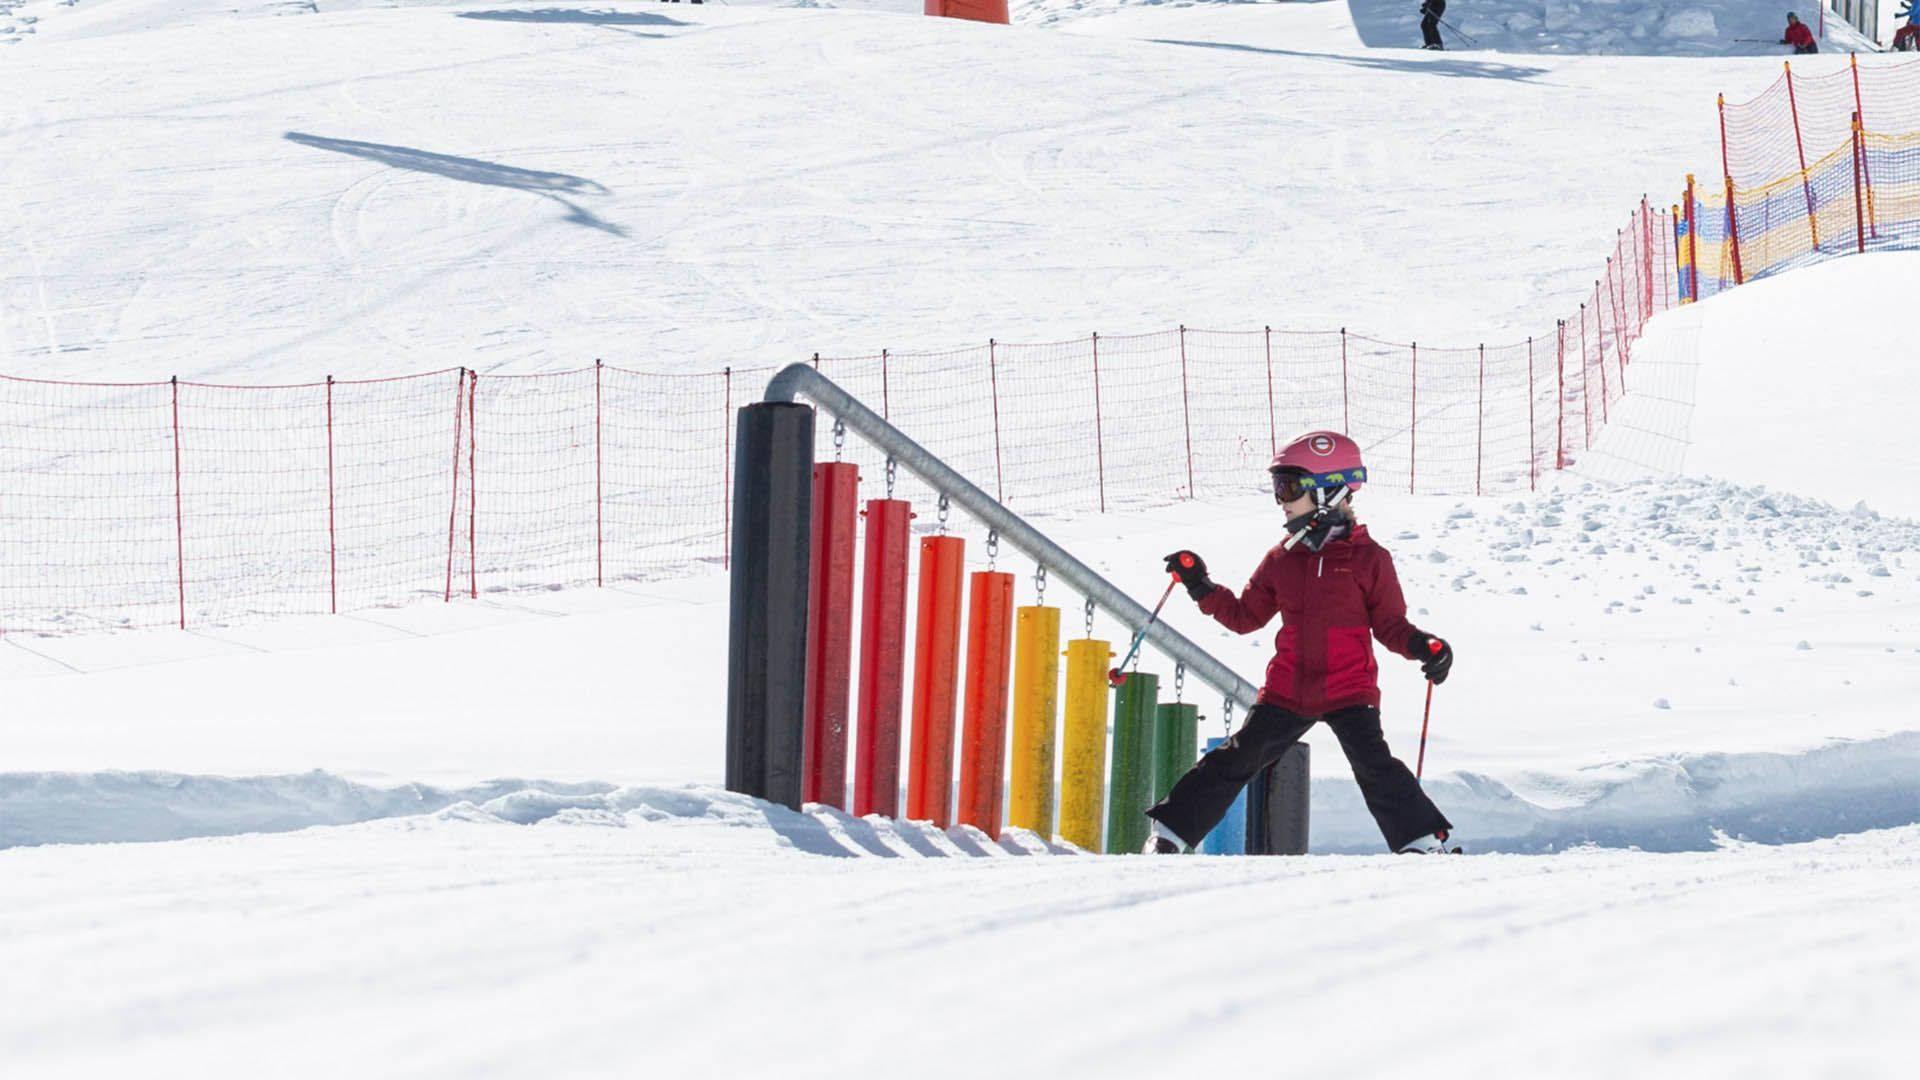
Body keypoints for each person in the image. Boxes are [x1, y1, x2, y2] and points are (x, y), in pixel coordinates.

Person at [1142, 431, 1461, 856]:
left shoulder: (1369, 559)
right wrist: (1201, 586)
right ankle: (1170, 834)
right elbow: (1244, 617)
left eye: (1289, 487)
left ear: (1329, 491)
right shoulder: (1282, 559)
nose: (1282, 499)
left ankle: (1424, 842)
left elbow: (1390, 625)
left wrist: (1424, 646)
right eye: (1279, 488)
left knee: (1374, 765)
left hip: (1349, 688)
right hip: (1288, 690)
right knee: (1237, 758)